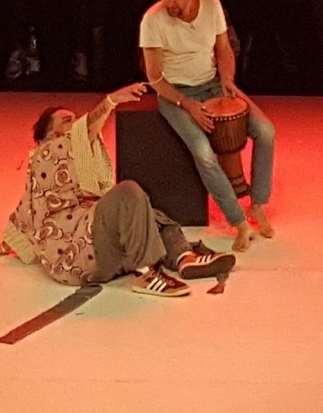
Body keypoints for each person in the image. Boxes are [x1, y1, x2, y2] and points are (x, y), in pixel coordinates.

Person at [3, 83, 235, 295]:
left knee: (151, 216)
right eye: (66, 120)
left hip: (102, 253)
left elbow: (18, 225)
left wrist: (7, 247)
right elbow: (84, 130)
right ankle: (146, 273)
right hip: (77, 255)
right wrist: (110, 101)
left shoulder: (35, 191)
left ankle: (184, 257)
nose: (75, 123)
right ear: (49, 134)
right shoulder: (47, 151)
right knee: (128, 193)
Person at [140, 0, 276, 252]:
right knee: (203, 153)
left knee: (265, 131)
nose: (169, 2)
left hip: (213, 83)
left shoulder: (212, 6)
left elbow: (224, 50)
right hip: (176, 94)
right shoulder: (152, 20)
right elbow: (155, 78)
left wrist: (227, 79)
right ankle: (238, 221)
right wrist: (188, 104)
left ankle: (258, 203)